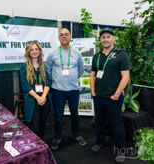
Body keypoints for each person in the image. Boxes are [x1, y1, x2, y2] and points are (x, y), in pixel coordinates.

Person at [90, 28, 130, 162]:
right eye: (103, 37)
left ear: (113, 38)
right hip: (98, 96)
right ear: (100, 40)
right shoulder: (97, 56)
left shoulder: (121, 55)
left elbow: (125, 77)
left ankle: (120, 149)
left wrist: (116, 94)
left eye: (108, 37)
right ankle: (100, 142)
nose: (105, 39)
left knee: (117, 124)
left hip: (114, 97)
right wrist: (93, 91)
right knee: (99, 121)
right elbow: (93, 75)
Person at [46, 28, 86, 150]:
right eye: (62, 35)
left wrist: (71, 79)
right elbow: (48, 69)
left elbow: (80, 69)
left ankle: (77, 135)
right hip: (57, 90)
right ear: (59, 38)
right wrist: (57, 80)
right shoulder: (52, 53)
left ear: (70, 37)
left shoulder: (76, 53)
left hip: (73, 89)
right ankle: (57, 137)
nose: (64, 36)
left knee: (75, 115)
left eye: (66, 34)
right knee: (58, 115)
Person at [20, 41, 54, 138]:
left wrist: (42, 97)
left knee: (43, 126)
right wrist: (37, 98)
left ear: (39, 51)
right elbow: (25, 85)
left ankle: (42, 148)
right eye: (32, 49)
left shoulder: (44, 65)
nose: (34, 51)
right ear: (28, 52)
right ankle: (34, 148)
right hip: (32, 100)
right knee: (35, 127)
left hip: (44, 99)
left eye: (36, 49)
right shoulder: (23, 67)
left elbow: (48, 82)